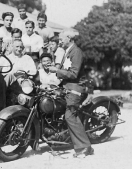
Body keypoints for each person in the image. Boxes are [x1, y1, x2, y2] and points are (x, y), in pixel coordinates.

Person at [48, 30, 94, 158]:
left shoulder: (76, 52)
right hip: (67, 86)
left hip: (75, 88)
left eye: (62, 38)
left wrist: (57, 70)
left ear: (69, 38)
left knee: (70, 116)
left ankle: (85, 147)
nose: (60, 41)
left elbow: (74, 74)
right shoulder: (68, 51)